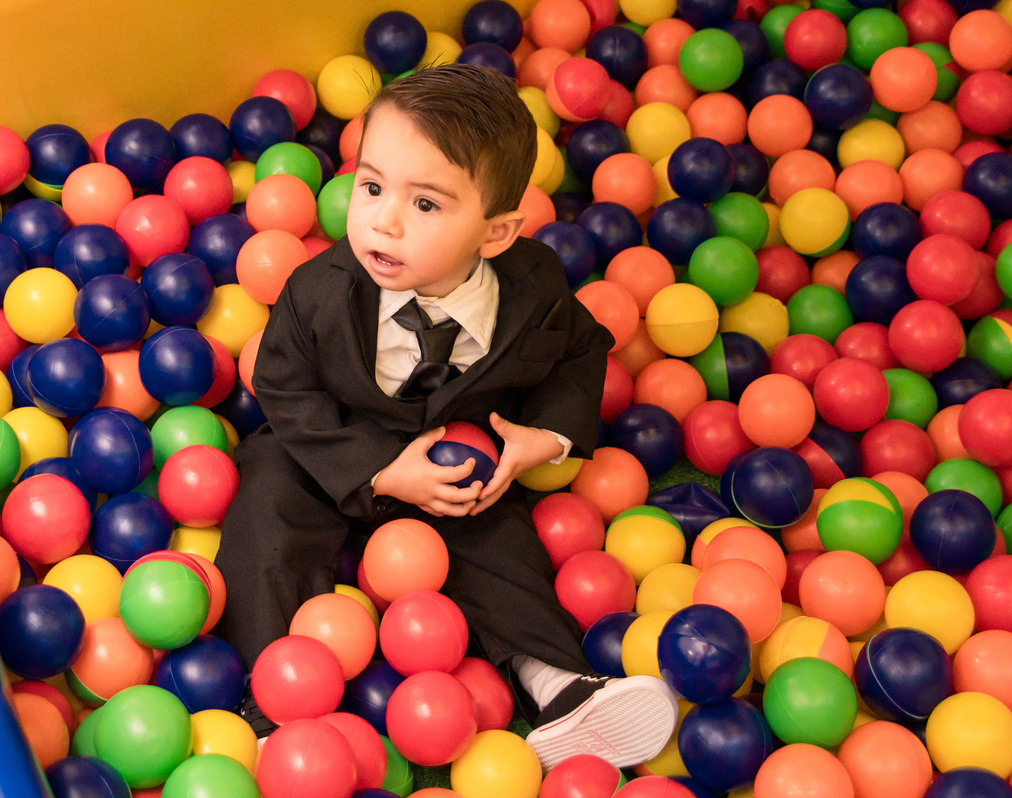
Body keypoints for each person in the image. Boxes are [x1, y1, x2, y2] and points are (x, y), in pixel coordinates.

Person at [213, 63, 677, 770]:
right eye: (371, 187)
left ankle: (558, 685)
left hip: (453, 462)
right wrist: (375, 468)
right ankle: (274, 699)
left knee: (493, 528)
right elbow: (283, 383)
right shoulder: (320, 291)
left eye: (425, 205)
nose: (383, 220)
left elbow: (581, 352)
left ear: (496, 234)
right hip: (333, 449)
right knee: (267, 497)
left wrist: (542, 439)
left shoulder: (530, 289)